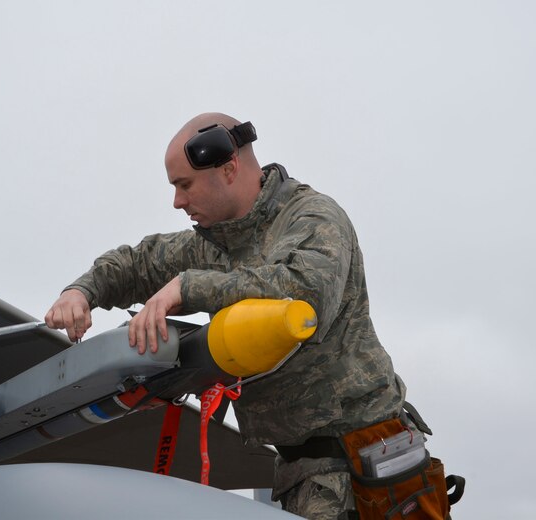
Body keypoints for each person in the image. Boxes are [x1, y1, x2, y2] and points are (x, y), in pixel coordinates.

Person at [45, 113, 407, 519]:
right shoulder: (218, 241)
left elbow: (305, 293)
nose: (178, 201)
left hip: (364, 469)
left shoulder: (313, 217)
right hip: (304, 472)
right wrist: (80, 292)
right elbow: (136, 263)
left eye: (185, 185)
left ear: (229, 168)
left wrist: (188, 288)